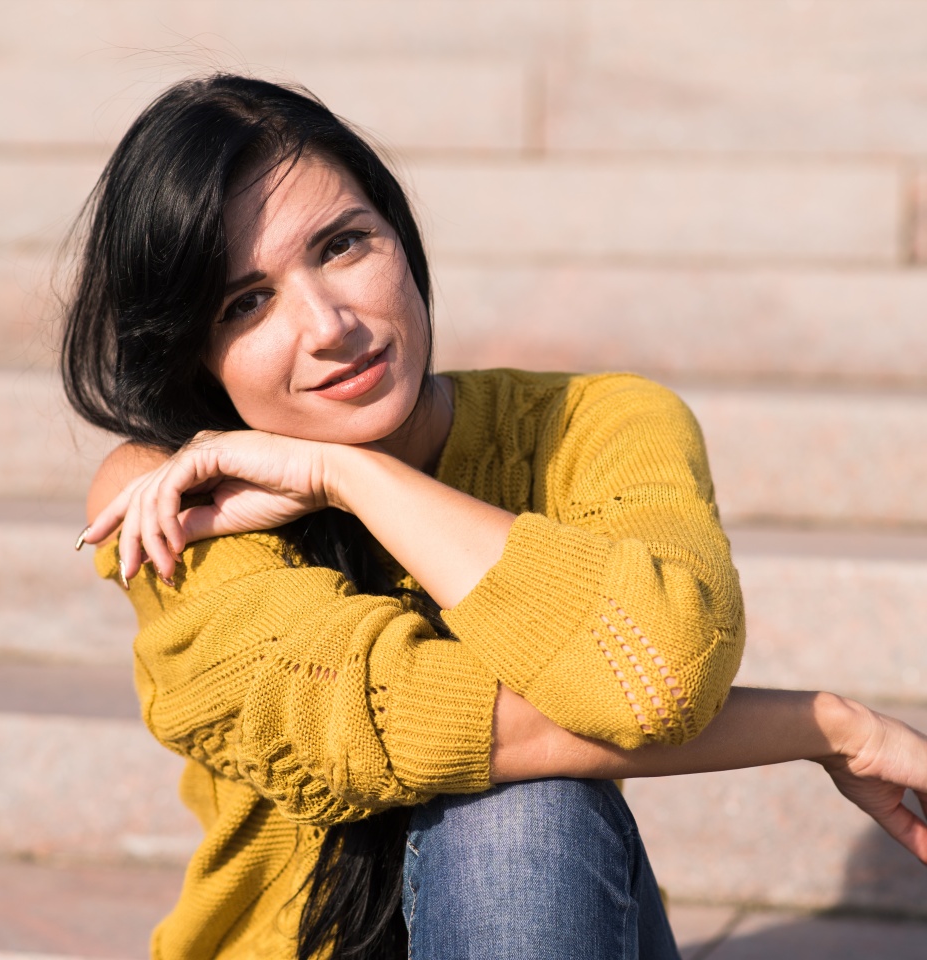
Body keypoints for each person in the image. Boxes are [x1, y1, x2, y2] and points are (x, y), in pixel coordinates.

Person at [65, 74, 927, 960]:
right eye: (246, 302)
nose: (328, 325)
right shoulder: (170, 501)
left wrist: (348, 476)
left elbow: (660, 673)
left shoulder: (601, 425)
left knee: (524, 814)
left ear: (400, 236)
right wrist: (829, 727)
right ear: (196, 355)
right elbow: (378, 722)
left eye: (342, 245)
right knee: (518, 780)